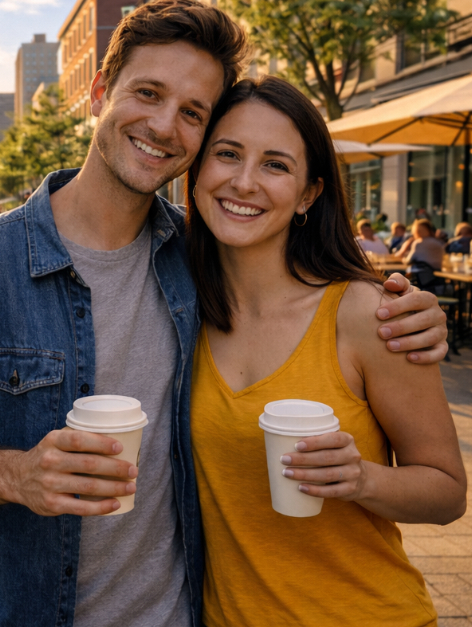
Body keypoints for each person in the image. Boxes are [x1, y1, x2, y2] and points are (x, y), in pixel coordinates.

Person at [0, 3, 449, 626]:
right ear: (98, 94)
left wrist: (408, 309)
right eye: (148, 92)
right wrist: (16, 475)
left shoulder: (201, 262)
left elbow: (303, 294)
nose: (165, 125)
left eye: (193, 113)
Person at [186, 74, 465, 627]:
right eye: (227, 153)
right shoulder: (177, 305)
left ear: (309, 193)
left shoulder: (367, 314)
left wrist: (363, 479)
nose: (244, 182)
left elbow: (447, 492)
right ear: (196, 168)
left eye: (275, 164)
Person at [403, 219, 447, 289]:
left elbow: (408, 260)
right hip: (436, 280)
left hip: (424, 281)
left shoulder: (418, 243)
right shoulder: (438, 243)